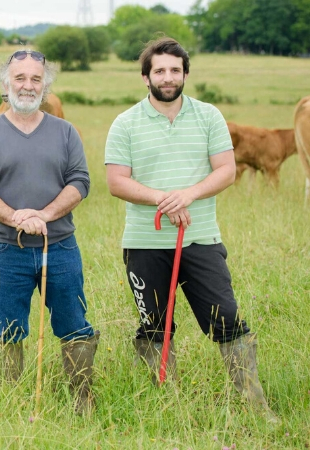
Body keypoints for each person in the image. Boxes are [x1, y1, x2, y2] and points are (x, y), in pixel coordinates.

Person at [104, 37, 278, 423]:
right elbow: (117, 181)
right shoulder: (125, 123)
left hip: (201, 239)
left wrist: (188, 195)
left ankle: (255, 408)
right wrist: (163, 200)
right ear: (146, 76)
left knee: (227, 318)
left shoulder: (208, 117)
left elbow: (226, 171)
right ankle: (166, 407)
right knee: (154, 324)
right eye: (160, 70)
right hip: (144, 243)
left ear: (185, 74)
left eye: (175, 70)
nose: (168, 77)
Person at [0, 49, 98, 414]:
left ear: (45, 85)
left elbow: (80, 181)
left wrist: (44, 214)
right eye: (20, 78)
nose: (27, 85)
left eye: (35, 79)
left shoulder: (65, 131)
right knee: (7, 329)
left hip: (60, 247)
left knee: (74, 323)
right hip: (8, 250)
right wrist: (16, 218)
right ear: (5, 84)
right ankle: (9, 404)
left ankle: (82, 401)